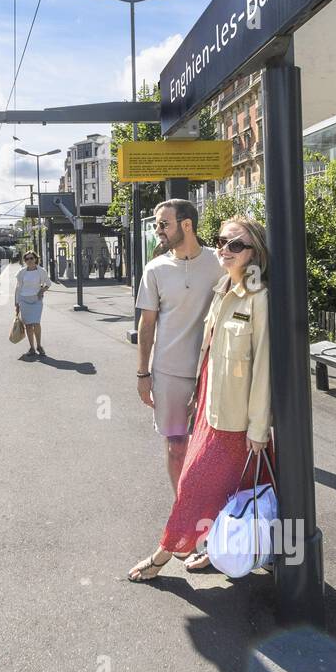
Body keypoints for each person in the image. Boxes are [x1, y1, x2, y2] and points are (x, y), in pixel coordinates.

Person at [128, 214, 273, 579]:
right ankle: (218, 549)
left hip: (236, 421)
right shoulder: (223, 288)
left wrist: (258, 428)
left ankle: (162, 556)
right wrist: (195, 394)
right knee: (228, 489)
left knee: (194, 486)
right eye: (222, 241)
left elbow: (264, 370)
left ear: (255, 252)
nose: (225, 249)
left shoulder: (259, 299)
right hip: (210, 408)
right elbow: (209, 355)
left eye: (236, 244)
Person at [133, 200, 221, 502]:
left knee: (212, 447)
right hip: (168, 372)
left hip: (214, 371)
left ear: (187, 225)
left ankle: (211, 512)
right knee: (176, 446)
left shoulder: (220, 261)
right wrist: (143, 374)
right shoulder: (155, 268)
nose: (158, 230)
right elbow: (147, 325)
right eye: (157, 225)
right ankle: (183, 510)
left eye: (163, 224)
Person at [14, 250, 50, 357]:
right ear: (25, 261)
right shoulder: (22, 272)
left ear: (35, 259)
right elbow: (18, 288)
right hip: (24, 300)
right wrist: (16, 303)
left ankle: (39, 345)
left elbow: (48, 283)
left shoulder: (41, 271)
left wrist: (42, 291)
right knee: (28, 325)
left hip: (36, 301)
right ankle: (32, 348)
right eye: (27, 259)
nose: (29, 260)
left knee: (36, 323)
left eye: (31, 258)